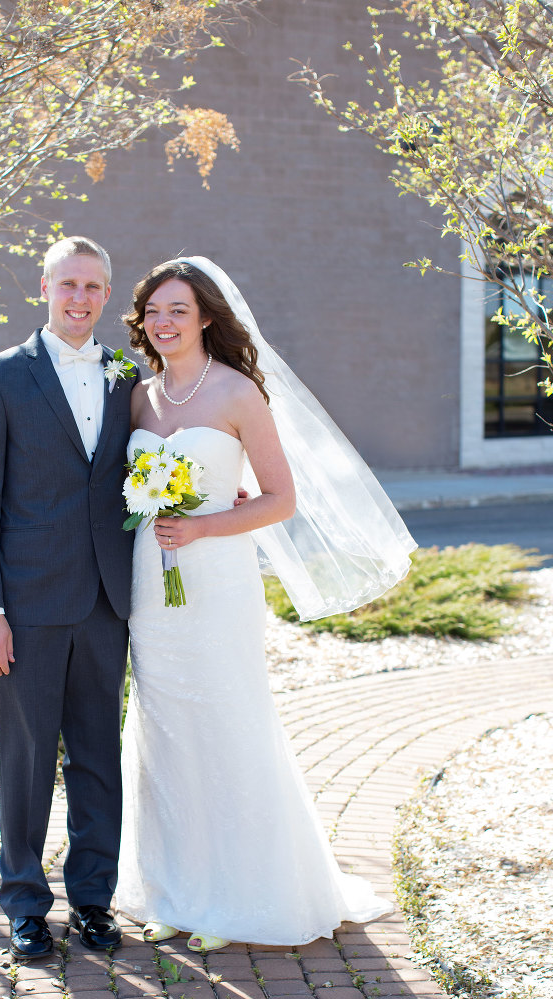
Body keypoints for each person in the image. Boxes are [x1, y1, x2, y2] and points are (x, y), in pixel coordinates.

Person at [115, 257, 416, 952]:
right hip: (149, 585)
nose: (164, 323)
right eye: (153, 311)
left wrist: (202, 525)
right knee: (163, 731)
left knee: (227, 723)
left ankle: (239, 896)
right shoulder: (139, 398)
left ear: (207, 318)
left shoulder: (237, 392)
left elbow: (282, 498)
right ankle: (175, 889)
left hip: (216, 580)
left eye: (178, 310)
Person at [0, 236, 137, 960]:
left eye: (93, 287)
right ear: (43, 286)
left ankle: (93, 899)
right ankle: (26, 904)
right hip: (25, 609)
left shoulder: (128, 378)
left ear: (106, 296)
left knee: (99, 757)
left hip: (106, 603)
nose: (80, 298)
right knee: (27, 760)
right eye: (68, 284)